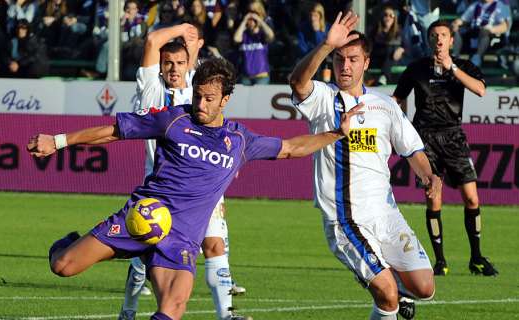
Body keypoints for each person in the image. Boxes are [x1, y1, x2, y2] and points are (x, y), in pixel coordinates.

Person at [27, 57, 362, 320]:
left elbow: (290, 147)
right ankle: (69, 242)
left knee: (172, 309)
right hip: (139, 219)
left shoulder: (239, 140)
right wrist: (57, 142)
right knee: (63, 266)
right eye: (198, 95)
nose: (200, 104)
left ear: (226, 99)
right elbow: (114, 131)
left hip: (181, 239)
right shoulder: (174, 120)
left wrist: (335, 134)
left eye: (209, 98)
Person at [289, 11, 440, 320]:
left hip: (387, 214)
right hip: (345, 218)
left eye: (353, 59)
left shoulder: (384, 105)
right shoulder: (323, 98)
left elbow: (411, 148)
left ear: (366, 63)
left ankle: (392, 287)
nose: (345, 66)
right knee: (386, 293)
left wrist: (429, 177)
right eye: (339, 58)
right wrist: (326, 45)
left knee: (425, 288)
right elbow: (298, 81)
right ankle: (386, 289)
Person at [121, 23, 248, 320]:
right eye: (168, 63)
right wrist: (181, 27)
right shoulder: (151, 89)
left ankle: (227, 315)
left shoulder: (198, 92)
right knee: (142, 259)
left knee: (215, 245)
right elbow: (152, 40)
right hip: (161, 190)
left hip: (204, 186)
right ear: (161, 67)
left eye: (180, 63)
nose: (174, 69)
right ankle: (127, 312)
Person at [393, 20, 499, 277]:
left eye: (443, 35)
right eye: (434, 35)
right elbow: (397, 99)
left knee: (472, 197)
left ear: (452, 40)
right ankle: (440, 261)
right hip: (424, 139)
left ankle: (476, 257)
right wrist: (395, 127)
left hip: (453, 137)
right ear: (429, 41)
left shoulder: (463, 66)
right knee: (433, 198)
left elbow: (481, 90)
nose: (438, 39)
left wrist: (452, 69)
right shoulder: (416, 69)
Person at [451, 0, 511, 67]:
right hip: (475, 33)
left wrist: (491, 29)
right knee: (459, 31)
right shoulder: (476, 4)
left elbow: (505, 26)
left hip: (493, 38)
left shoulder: (500, 5)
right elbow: (464, 19)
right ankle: (455, 58)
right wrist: (456, 23)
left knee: (484, 32)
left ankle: (477, 58)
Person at [233, 0, 275, 85]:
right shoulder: (244, 34)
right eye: (249, 18)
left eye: (255, 13)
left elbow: (271, 36)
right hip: (245, 77)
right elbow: (236, 39)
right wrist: (244, 20)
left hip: (262, 76)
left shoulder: (262, 34)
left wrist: (260, 20)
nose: (251, 18)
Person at [368, 5, 404, 85]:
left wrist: (401, 49)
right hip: (378, 59)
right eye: (386, 15)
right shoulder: (375, 31)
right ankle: (383, 77)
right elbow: (370, 47)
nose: (388, 17)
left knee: (391, 51)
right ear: (382, 17)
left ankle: (383, 77)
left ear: (394, 18)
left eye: (391, 15)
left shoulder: (399, 31)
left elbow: (406, 46)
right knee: (389, 50)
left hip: (393, 59)